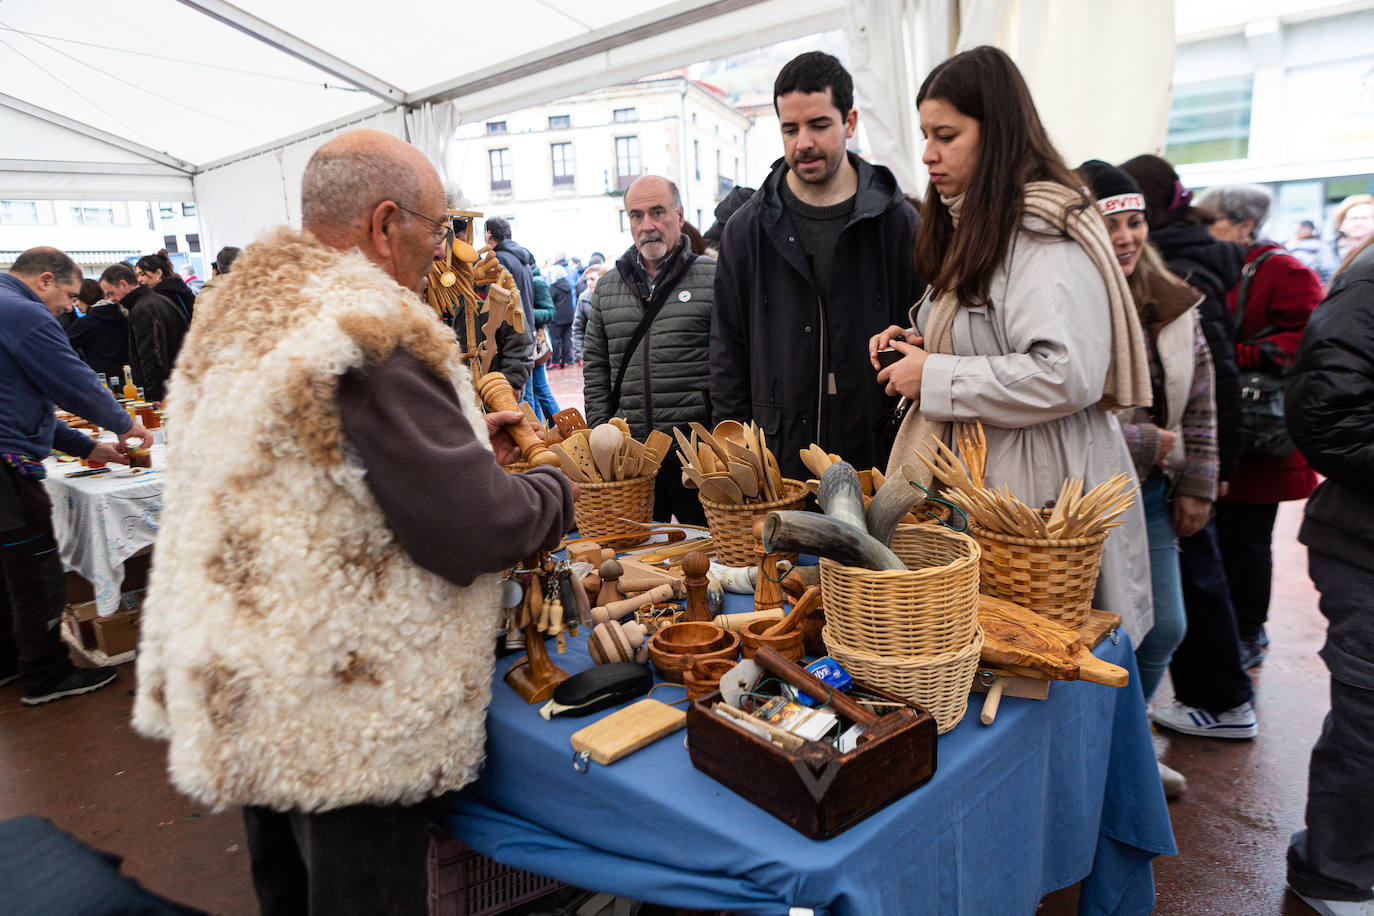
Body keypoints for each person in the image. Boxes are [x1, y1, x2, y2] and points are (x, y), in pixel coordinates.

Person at [131, 129, 575, 916]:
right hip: (344, 715)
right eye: (437, 231)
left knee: (290, 897)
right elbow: (474, 532)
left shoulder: (243, 314)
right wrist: (549, 486)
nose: (442, 253)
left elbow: (326, 475)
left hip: (250, 684)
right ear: (383, 224)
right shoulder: (369, 333)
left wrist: (465, 448)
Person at [872, 47, 1154, 645]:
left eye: (946, 135)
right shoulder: (982, 220)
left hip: (1044, 491)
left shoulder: (1039, 230)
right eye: (925, 135)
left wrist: (936, 376)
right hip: (1001, 478)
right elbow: (1001, 333)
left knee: (1047, 659)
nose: (928, 154)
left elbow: (1065, 370)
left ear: (995, 132)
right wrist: (928, 343)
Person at [713, 51, 923, 480]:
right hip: (779, 457)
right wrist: (737, 455)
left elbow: (927, 335)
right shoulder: (746, 231)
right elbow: (727, 356)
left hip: (878, 450)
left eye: (818, 125)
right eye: (790, 128)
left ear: (849, 123)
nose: (802, 142)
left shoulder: (898, 223)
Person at [1078, 160, 1218, 712]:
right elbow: (1062, 398)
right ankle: (1110, 763)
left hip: (1153, 494)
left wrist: (1199, 484)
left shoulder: (1173, 299)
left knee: (1163, 630)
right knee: (1096, 636)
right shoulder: (1072, 300)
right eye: (1111, 225)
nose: (1126, 237)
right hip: (1086, 499)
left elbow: (1202, 397)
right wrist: (1139, 441)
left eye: (1134, 222)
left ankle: (1130, 748)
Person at [0, 247, 149, 705]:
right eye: (67, 295)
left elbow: (26, 401)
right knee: (35, 573)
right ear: (44, 279)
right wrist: (127, 426)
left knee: (6, 573)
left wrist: (88, 447)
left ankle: (11, 662)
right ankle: (46, 675)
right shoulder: (23, 313)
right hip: (7, 471)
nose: (71, 307)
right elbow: (72, 381)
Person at [1195, 184, 1323, 670]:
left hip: (1261, 434)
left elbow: (1306, 341)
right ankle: (1230, 629)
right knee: (1221, 537)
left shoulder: (1286, 270)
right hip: (1230, 427)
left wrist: (1232, 358)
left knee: (1247, 541)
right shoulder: (1228, 264)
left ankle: (1250, 631)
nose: (1206, 232)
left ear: (1245, 225)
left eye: (1214, 222)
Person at [1283, 236, 1374, 916]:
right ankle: (1334, 872)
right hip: (1362, 541)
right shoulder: (1367, 283)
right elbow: (1329, 416)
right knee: (1368, 713)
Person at [584, 175, 713, 525]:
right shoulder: (608, 287)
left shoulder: (712, 277)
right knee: (636, 557)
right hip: (634, 457)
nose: (648, 226)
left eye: (658, 213)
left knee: (708, 560)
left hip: (697, 456)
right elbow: (595, 366)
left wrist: (720, 436)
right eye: (636, 216)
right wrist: (601, 434)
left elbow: (731, 364)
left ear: (680, 215)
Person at [99, 262, 188, 403]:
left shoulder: (142, 309)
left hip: (165, 394)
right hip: (180, 385)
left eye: (111, 293)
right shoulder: (159, 300)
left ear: (123, 284)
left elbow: (151, 355)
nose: (111, 299)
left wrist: (154, 396)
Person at [67, 277, 129, 380]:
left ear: (86, 297)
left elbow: (61, 343)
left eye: (77, 299)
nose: (75, 304)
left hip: (103, 381)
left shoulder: (88, 322)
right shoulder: (121, 315)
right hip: (127, 377)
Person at [523, 263, 560, 423]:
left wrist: (526, 313)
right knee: (537, 392)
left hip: (536, 344)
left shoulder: (536, 281)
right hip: (531, 343)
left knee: (540, 391)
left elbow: (550, 312)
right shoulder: (529, 279)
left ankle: (564, 429)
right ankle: (551, 431)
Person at [135, 251, 196, 322]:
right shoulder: (178, 288)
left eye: (142, 274)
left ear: (158, 273)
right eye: (137, 275)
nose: (139, 280)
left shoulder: (162, 296)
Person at [1325, 193, 1374, 277]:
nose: (1359, 223)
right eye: (1354, 218)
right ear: (1341, 222)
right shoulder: (1325, 249)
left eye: (1365, 218)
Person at [571, 263, 605, 367]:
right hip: (593, 352)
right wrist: (579, 354)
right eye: (587, 280)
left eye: (592, 279)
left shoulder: (612, 296)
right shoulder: (584, 298)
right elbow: (577, 328)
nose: (589, 283)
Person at [547, 263, 576, 368]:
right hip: (569, 317)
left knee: (555, 339)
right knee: (566, 338)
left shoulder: (553, 287)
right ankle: (566, 360)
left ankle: (555, 361)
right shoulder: (568, 285)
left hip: (557, 318)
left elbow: (550, 302)